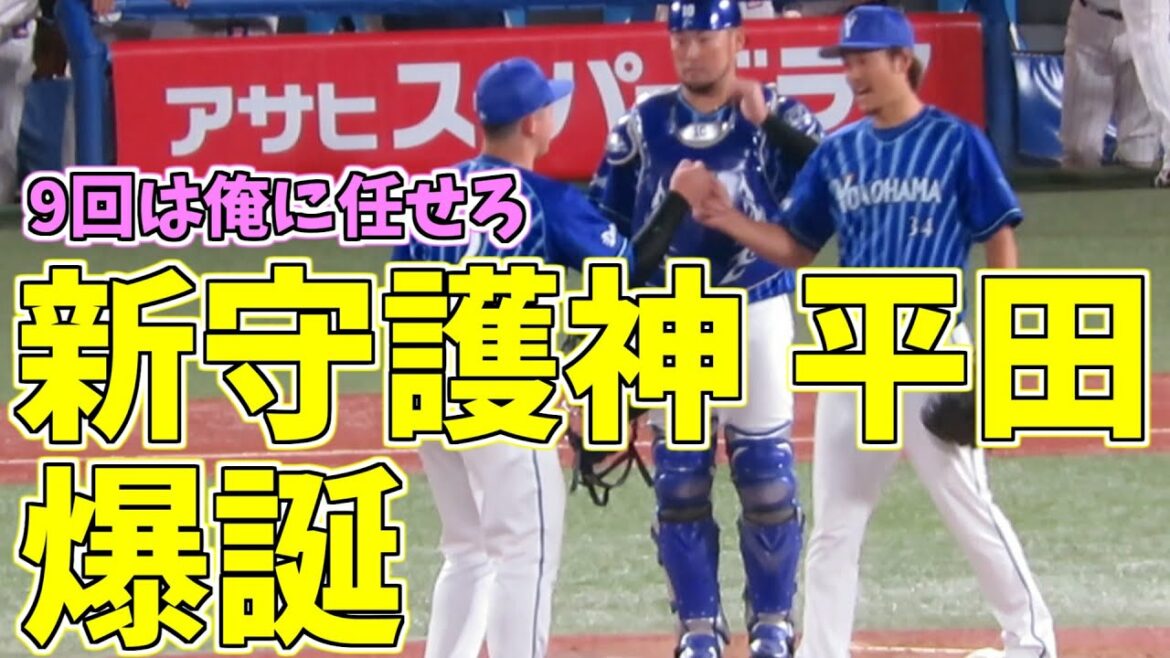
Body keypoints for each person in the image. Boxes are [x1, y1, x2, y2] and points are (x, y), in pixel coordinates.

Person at [670, 6, 1060, 658]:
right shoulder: (840, 151)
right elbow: (796, 246)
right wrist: (728, 218)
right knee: (836, 521)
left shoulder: (956, 142)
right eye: (846, 61)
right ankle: (823, 649)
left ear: (902, 60)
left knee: (967, 502)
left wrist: (998, 352)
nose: (852, 73)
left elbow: (999, 238)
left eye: (862, 59)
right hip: (853, 348)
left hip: (932, 344)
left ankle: (1033, 638)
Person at [393, 56, 688, 658]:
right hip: (501, 389)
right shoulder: (541, 198)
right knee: (524, 553)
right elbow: (626, 266)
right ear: (532, 123)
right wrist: (677, 201)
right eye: (549, 105)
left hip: (423, 379)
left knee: (467, 550)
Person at [587, 1, 824, 656]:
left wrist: (773, 124)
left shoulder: (775, 115)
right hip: (675, 313)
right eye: (680, 38)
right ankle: (697, 625)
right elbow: (607, 241)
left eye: (705, 37)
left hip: (757, 305)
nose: (690, 51)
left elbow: (837, 180)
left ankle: (772, 620)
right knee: (681, 478)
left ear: (738, 39)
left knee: (768, 475)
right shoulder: (641, 127)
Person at [1061, 0, 1170, 187]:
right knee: (1081, 150)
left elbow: (1150, 42)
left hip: (1148, 26)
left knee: (1140, 154)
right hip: (1092, 21)